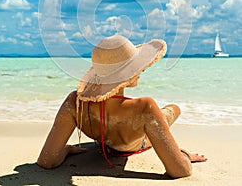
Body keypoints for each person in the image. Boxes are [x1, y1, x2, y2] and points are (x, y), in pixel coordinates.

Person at [37, 34, 207, 178]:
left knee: (167, 112)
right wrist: (183, 154)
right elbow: (180, 171)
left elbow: (46, 160)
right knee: (174, 109)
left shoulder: (74, 102)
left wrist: (65, 149)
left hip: (105, 141)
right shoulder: (145, 107)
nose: (140, 71)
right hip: (135, 141)